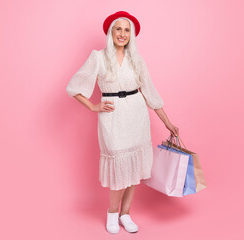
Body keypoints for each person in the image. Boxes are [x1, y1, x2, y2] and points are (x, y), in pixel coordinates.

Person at [66, 11, 179, 234]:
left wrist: (168, 122)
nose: (122, 34)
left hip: (136, 116)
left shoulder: (137, 60)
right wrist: (92, 106)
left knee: (133, 168)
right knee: (119, 167)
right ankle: (111, 213)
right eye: (118, 29)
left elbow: (150, 92)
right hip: (112, 117)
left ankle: (125, 214)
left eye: (127, 30)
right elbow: (75, 86)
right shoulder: (98, 57)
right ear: (111, 32)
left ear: (131, 35)